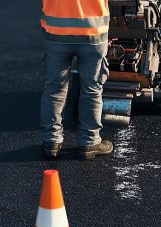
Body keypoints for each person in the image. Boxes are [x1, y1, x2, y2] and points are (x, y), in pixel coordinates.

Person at [40, 0, 113, 159]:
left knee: (54, 89)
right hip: (93, 32)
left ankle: (51, 141)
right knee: (92, 89)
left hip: (56, 32)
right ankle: (89, 142)